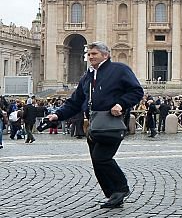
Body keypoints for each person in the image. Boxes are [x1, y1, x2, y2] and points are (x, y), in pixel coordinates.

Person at [46, 42, 144, 208]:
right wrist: (58, 114)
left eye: (94, 54)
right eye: (89, 54)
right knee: (96, 160)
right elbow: (75, 102)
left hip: (112, 122)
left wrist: (121, 104)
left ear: (105, 55)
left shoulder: (120, 70)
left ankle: (121, 188)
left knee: (102, 157)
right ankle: (113, 194)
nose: (90, 57)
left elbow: (136, 91)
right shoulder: (87, 76)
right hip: (93, 124)